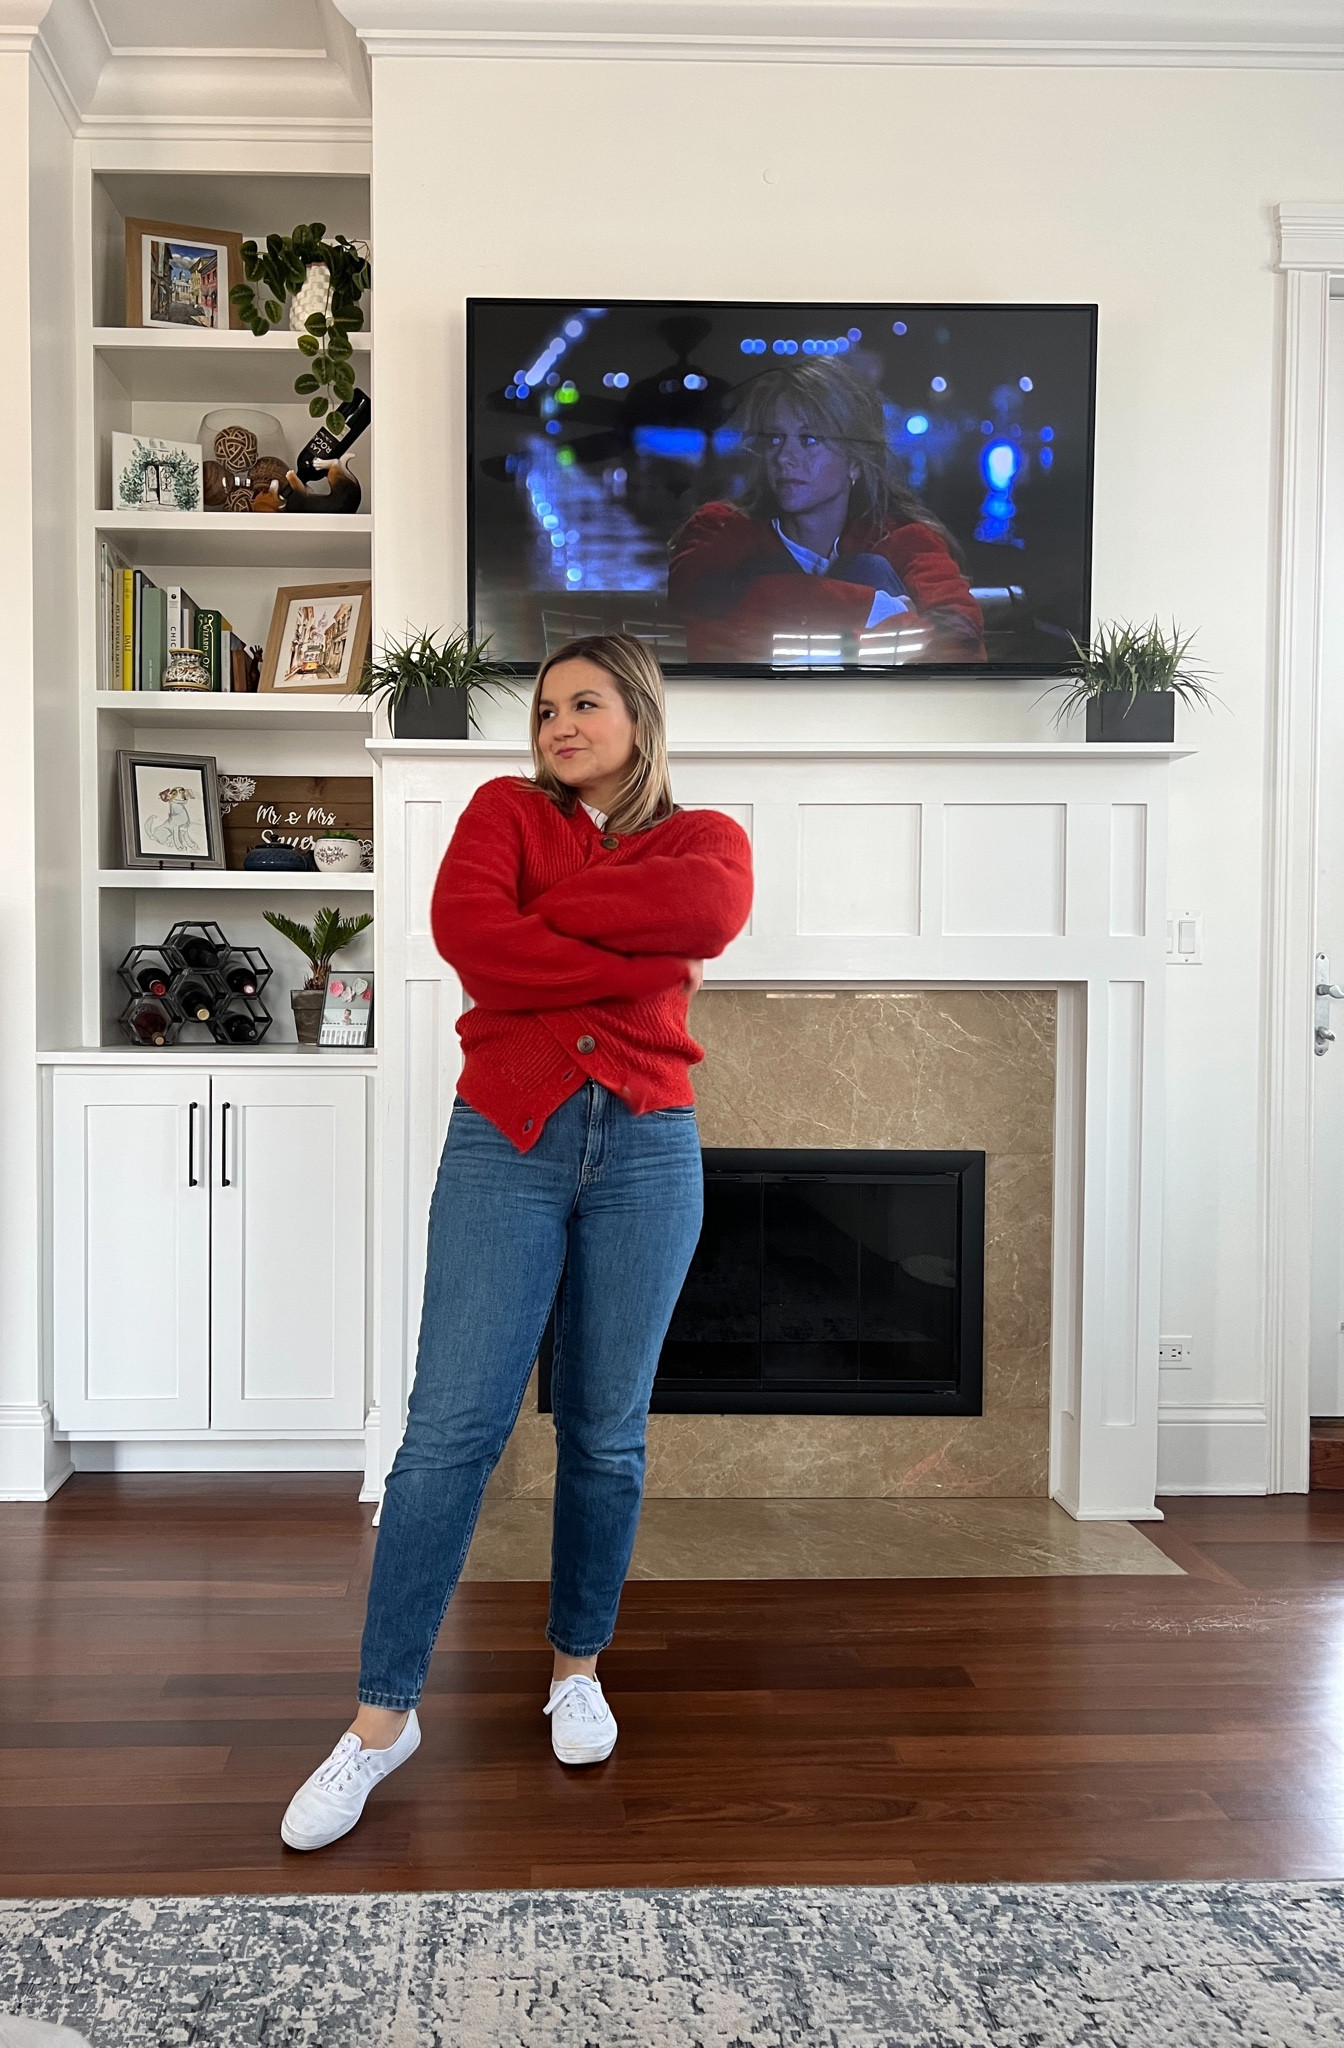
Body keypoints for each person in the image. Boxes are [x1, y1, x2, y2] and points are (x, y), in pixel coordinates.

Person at [280, 631, 753, 1853]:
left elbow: (703, 912)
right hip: (508, 1136)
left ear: (638, 717)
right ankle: (382, 1721)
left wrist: (550, 920)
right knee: (449, 1430)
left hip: (651, 1144)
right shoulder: (503, 809)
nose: (559, 724)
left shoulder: (706, 840)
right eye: (545, 708)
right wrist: (617, 948)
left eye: (585, 703)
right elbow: (466, 936)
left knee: (607, 1430)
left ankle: (575, 1668)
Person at [669, 356, 985, 667]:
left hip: (873, 709)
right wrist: (876, 609)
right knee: (768, 568)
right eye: (775, 439)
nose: (784, 457)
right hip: (756, 709)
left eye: (808, 440)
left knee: (867, 569)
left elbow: (960, 640)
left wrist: (839, 635)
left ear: (855, 461)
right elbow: (701, 610)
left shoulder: (901, 539)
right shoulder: (721, 529)